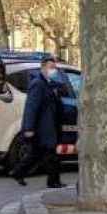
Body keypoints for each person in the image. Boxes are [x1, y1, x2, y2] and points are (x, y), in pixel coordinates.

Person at [14, 57, 66, 189]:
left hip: (48, 125)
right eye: (50, 67)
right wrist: (29, 128)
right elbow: (31, 107)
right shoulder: (38, 84)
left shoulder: (49, 83)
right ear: (43, 68)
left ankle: (18, 172)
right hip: (43, 126)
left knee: (36, 154)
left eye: (54, 68)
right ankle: (53, 181)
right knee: (50, 155)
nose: (53, 70)